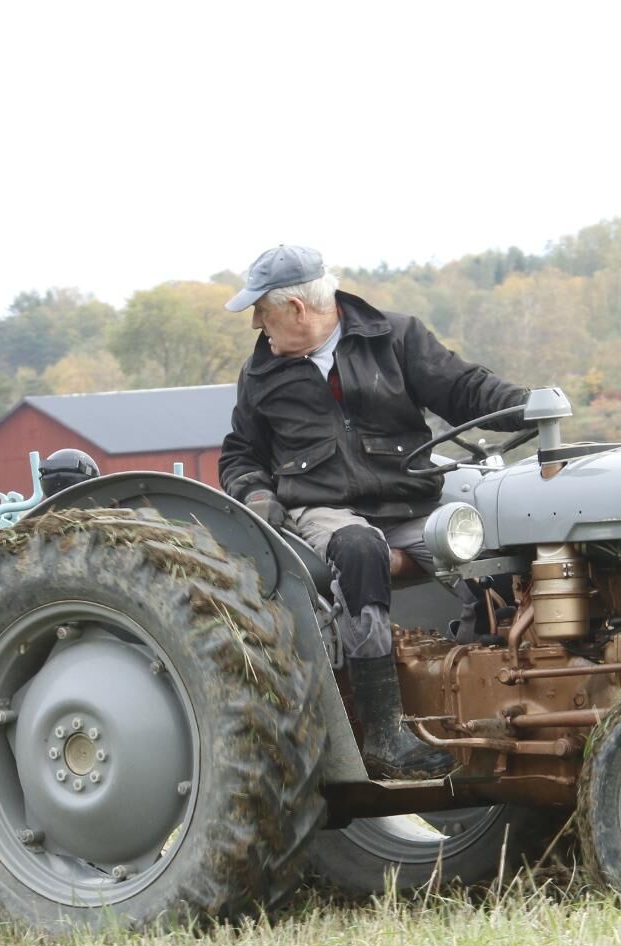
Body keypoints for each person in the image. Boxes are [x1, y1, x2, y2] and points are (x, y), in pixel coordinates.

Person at [219, 245, 527, 778]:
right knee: (359, 550)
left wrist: (528, 402)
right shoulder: (260, 375)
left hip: (411, 498)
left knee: (487, 552)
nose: (255, 324)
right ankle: (384, 733)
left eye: (261, 311)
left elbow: (463, 389)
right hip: (324, 507)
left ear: (296, 308)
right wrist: (255, 495)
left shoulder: (395, 336)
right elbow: (240, 453)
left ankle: (499, 700)